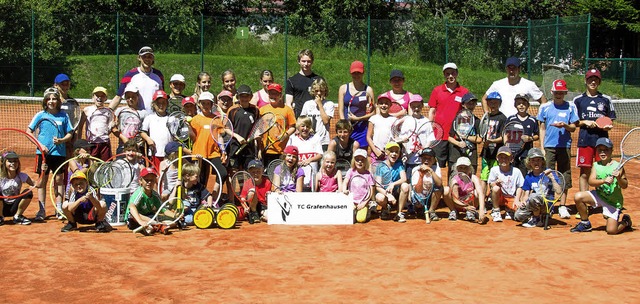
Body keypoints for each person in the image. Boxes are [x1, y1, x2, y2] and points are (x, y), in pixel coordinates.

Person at [27, 88, 74, 221]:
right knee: (42, 181)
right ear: (45, 101)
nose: (51, 101)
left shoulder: (64, 116)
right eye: (49, 99)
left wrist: (62, 140)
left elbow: (70, 133)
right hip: (42, 154)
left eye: (54, 99)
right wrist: (40, 145)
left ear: (58, 100)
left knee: (59, 180)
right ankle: (41, 210)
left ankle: (59, 208)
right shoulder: (40, 115)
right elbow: (29, 131)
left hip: (59, 153)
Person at [572, 138, 632, 234]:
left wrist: (619, 178)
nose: (603, 152)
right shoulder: (596, 165)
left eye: (606, 150)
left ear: (611, 151)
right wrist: (603, 181)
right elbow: (591, 181)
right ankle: (585, 223)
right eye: (600, 150)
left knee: (611, 231)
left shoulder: (618, 166)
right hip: (599, 196)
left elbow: (624, 185)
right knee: (578, 196)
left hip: (613, 202)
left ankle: (626, 222)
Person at [537, 79, 579, 219]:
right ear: (552, 92)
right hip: (549, 146)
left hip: (564, 146)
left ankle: (562, 206)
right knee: (548, 175)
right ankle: (549, 204)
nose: (559, 94)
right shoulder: (545, 107)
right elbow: (542, 128)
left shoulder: (571, 107)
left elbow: (573, 127)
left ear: (565, 93)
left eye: (561, 92)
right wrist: (542, 147)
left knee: (564, 175)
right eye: (556, 92)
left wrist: (565, 126)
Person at [573, 69, 616, 197]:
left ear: (599, 81)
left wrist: (607, 127)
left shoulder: (606, 100)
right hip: (585, 140)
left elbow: (610, 120)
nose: (593, 81)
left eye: (596, 79)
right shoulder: (578, 100)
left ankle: (602, 200)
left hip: (602, 141)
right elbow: (574, 122)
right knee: (585, 172)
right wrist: (584, 122)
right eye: (590, 79)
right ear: (585, 81)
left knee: (602, 171)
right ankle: (583, 201)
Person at [428, 62, 469, 169]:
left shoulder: (464, 92)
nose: (450, 76)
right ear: (444, 75)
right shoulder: (437, 90)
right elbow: (432, 110)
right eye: (447, 74)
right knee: (436, 166)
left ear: (457, 73)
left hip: (455, 136)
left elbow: (467, 113)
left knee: (454, 166)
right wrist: (430, 128)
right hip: (439, 135)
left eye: (453, 73)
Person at [190, 92, 227, 194]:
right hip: (200, 152)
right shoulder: (195, 119)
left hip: (214, 152)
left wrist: (223, 150)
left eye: (208, 103)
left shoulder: (216, 119)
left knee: (222, 173)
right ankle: (199, 198)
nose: (206, 106)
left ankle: (214, 193)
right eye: (203, 103)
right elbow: (192, 137)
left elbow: (219, 136)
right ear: (199, 104)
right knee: (200, 178)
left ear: (212, 105)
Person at [109, 46, 164, 114]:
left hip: (153, 117)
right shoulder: (130, 75)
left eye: (149, 57)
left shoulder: (159, 75)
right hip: (135, 117)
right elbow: (118, 96)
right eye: (144, 57)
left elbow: (162, 97)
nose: (147, 59)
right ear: (139, 58)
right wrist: (108, 112)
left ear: (153, 59)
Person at [337, 61, 375, 149]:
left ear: (363, 73)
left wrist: (358, 119)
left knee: (361, 157)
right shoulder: (343, 88)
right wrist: (345, 125)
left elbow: (373, 113)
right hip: (347, 130)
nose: (356, 75)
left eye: (359, 73)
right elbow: (340, 109)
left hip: (362, 130)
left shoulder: (368, 90)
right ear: (350, 73)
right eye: (354, 73)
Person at [125, 167, 173, 232]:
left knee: (172, 221)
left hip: (149, 216)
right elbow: (131, 207)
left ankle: (156, 226)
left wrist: (175, 216)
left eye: (152, 180)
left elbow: (163, 209)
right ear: (140, 181)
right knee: (148, 221)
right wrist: (140, 221)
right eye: (146, 180)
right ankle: (157, 225)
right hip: (134, 218)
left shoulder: (155, 195)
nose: (149, 182)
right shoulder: (139, 193)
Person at [259, 83, 296, 166]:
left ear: (280, 95)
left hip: (282, 150)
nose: (273, 96)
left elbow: (293, 127)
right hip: (266, 149)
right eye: (271, 93)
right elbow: (259, 129)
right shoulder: (262, 110)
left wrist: (285, 135)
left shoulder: (287, 110)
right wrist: (259, 149)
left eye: (275, 93)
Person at [514, 148, 551, 228]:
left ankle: (536, 219)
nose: (536, 162)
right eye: (533, 160)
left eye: (538, 160)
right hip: (533, 202)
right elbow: (526, 194)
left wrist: (552, 179)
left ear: (542, 161)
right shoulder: (528, 177)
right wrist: (523, 201)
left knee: (533, 196)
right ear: (529, 162)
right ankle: (539, 216)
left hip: (546, 204)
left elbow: (559, 191)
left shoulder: (549, 173)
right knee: (518, 216)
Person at [168, 162, 213, 226]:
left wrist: (209, 205)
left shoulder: (198, 186)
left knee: (190, 219)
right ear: (187, 176)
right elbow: (170, 202)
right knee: (186, 203)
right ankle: (178, 217)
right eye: (196, 177)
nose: (198, 179)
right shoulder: (180, 186)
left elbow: (209, 196)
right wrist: (175, 187)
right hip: (181, 209)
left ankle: (181, 220)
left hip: (194, 210)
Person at [480, 91, 507, 196]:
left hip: (497, 153)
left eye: (495, 102)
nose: (493, 105)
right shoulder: (485, 117)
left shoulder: (503, 118)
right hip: (486, 152)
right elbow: (482, 133)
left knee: (495, 177)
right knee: (484, 177)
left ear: (499, 103)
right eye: (490, 102)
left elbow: (503, 138)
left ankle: (493, 197)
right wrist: (484, 141)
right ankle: (482, 199)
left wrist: (491, 141)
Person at [487, 146, 525, 222]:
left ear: (511, 159)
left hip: (511, 197)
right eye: (501, 157)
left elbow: (520, 187)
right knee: (496, 188)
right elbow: (491, 184)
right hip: (499, 196)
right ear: (497, 158)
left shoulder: (516, 171)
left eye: (506, 157)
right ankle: (496, 210)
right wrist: (495, 183)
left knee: (520, 213)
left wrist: (517, 200)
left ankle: (509, 209)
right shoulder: (494, 170)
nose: (503, 160)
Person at [505, 93, 539, 176]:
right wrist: (506, 147)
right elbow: (505, 134)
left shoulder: (532, 120)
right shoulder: (510, 119)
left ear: (528, 105)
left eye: (524, 103)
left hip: (526, 154)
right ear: (515, 105)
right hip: (512, 153)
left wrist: (530, 138)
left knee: (524, 176)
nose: (521, 106)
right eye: (518, 103)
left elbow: (537, 135)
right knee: (511, 175)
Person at [374, 142, 410, 222]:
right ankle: (386, 208)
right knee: (380, 198)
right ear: (386, 152)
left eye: (396, 152)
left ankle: (399, 213)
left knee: (405, 186)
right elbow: (378, 186)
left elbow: (404, 179)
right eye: (391, 151)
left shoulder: (399, 165)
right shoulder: (380, 166)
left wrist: (393, 184)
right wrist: (388, 195)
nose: (394, 154)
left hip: (396, 192)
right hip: (385, 193)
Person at [447, 92, 482, 174]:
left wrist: (465, 137)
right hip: (456, 154)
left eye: (473, 103)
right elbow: (449, 137)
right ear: (463, 104)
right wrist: (458, 144)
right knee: (454, 178)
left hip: (471, 154)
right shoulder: (457, 120)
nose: (471, 106)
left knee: (470, 179)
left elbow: (479, 139)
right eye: (469, 103)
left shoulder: (476, 121)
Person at [227, 84, 260, 170]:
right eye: (242, 96)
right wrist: (237, 137)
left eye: (247, 96)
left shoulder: (255, 110)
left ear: (251, 97)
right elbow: (226, 128)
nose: (244, 99)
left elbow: (258, 128)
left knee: (248, 172)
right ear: (238, 97)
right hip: (235, 147)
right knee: (234, 172)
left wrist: (259, 148)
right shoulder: (232, 110)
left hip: (249, 149)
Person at [444, 157, 485, 223]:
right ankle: (454, 211)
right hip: (457, 204)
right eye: (461, 167)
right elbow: (455, 199)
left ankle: (471, 212)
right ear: (457, 168)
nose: (463, 170)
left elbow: (481, 193)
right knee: (446, 190)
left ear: (470, 168)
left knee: (476, 193)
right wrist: (466, 207)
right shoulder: (454, 180)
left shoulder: (474, 178)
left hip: (469, 203)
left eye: (465, 167)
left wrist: (481, 210)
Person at [287, 116, 323, 191]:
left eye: (308, 126)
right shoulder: (292, 138)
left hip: (312, 175)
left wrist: (309, 160)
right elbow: (286, 155)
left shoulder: (316, 138)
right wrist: (296, 163)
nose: (305, 128)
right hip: (296, 175)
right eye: (302, 126)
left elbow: (320, 155)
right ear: (298, 127)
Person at [410, 148, 445, 223]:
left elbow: (439, 184)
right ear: (421, 159)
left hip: (430, 197)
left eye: (429, 158)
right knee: (418, 202)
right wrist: (421, 176)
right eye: (424, 158)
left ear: (434, 160)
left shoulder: (436, 169)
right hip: (419, 197)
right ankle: (419, 209)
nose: (426, 160)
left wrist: (431, 170)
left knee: (439, 188)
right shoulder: (415, 170)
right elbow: (417, 190)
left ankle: (431, 211)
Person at [300, 77, 334, 151]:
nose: (319, 93)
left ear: (325, 91)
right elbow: (301, 121)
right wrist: (309, 128)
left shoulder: (329, 104)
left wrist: (320, 104)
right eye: (316, 91)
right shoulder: (307, 104)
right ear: (313, 91)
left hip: (323, 141)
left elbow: (326, 121)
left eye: (321, 91)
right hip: (309, 140)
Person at [141, 90, 172, 170]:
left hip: (169, 154)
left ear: (167, 104)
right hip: (155, 153)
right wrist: (148, 139)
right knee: (156, 174)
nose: (161, 105)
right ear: (154, 104)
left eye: (163, 103)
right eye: (158, 103)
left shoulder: (172, 118)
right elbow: (142, 132)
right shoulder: (149, 118)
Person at [0, 151, 34, 225]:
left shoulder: (21, 175)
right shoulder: (1, 177)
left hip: (14, 206)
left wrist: (43, 171)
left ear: (18, 163)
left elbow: (37, 185)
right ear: (4, 163)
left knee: (28, 192)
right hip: (2, 206)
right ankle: (0, 217)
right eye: (10, 161)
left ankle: (17, 216)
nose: (13, 164)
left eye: (15, 161)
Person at [341, 149, 375, 221]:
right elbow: (345, 182)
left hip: (363, 202)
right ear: (354, 161)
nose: (360, 162)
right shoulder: (351, 171)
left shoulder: (368, 174)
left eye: (362, 160)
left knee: (361, 220)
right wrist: (344, 189)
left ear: (365, 161)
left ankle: (367, 210)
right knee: (349, 219)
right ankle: (354, 211)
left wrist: (364, 203)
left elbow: (371, 191)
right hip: (351, 201)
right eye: (357, 159)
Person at [400, 94, 429, 178]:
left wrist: (424, 150)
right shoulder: (407, 121)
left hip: (422, 160)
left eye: (419, 106)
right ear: (410, 106)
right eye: (414, 106)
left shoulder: (426, 121)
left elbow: (430, 138)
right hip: (409, 159)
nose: (416, 108)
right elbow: (402, 138)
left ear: (422, 106)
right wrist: (405, 151)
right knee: (408, 181)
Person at [286, 49, 321, 118]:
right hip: (299, 118)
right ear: (299, 61)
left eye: (308, 61)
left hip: (315, 117)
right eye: (303, 61)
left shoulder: (318, 80)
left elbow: (322, 98)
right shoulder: (291, 80)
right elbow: (288, 103)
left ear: (312, 62)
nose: (306, 64)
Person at [83, 86, 114, 161]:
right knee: (92, 165)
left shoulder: (108, 112)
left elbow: (108, 129)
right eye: (97, 96)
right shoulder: (86, 110)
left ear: (105, 98)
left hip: (104, 143)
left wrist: (111, 127)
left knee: (105, 164)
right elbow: (80, 127)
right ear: (93, 97)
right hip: (91, 143)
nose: (99, 98)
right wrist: (81, 143)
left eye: (102, 96)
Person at [366, 94, 397, 163]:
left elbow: (395, 137)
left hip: (389, 154)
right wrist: (375, 151)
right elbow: (368, 137)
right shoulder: (373, 119)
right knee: (376, 173)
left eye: (386, 103)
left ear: (390, 105)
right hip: (376, 154)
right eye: (381, 103)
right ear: (377, 105)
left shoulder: (394, 120)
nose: (384, 105)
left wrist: (390, 150)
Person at [242, 159, 272, 224]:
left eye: (258, 171)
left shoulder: (267, 182)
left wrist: (269, 195)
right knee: (252, 192)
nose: (256, 174)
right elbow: (243, 198)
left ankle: (261, 215)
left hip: (263, 206)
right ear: (249, 172)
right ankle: (254, 213)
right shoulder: (247, 183)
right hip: (251, 206)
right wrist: (245, 207)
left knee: (271, 218)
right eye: (253, 172)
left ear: (262, 171)